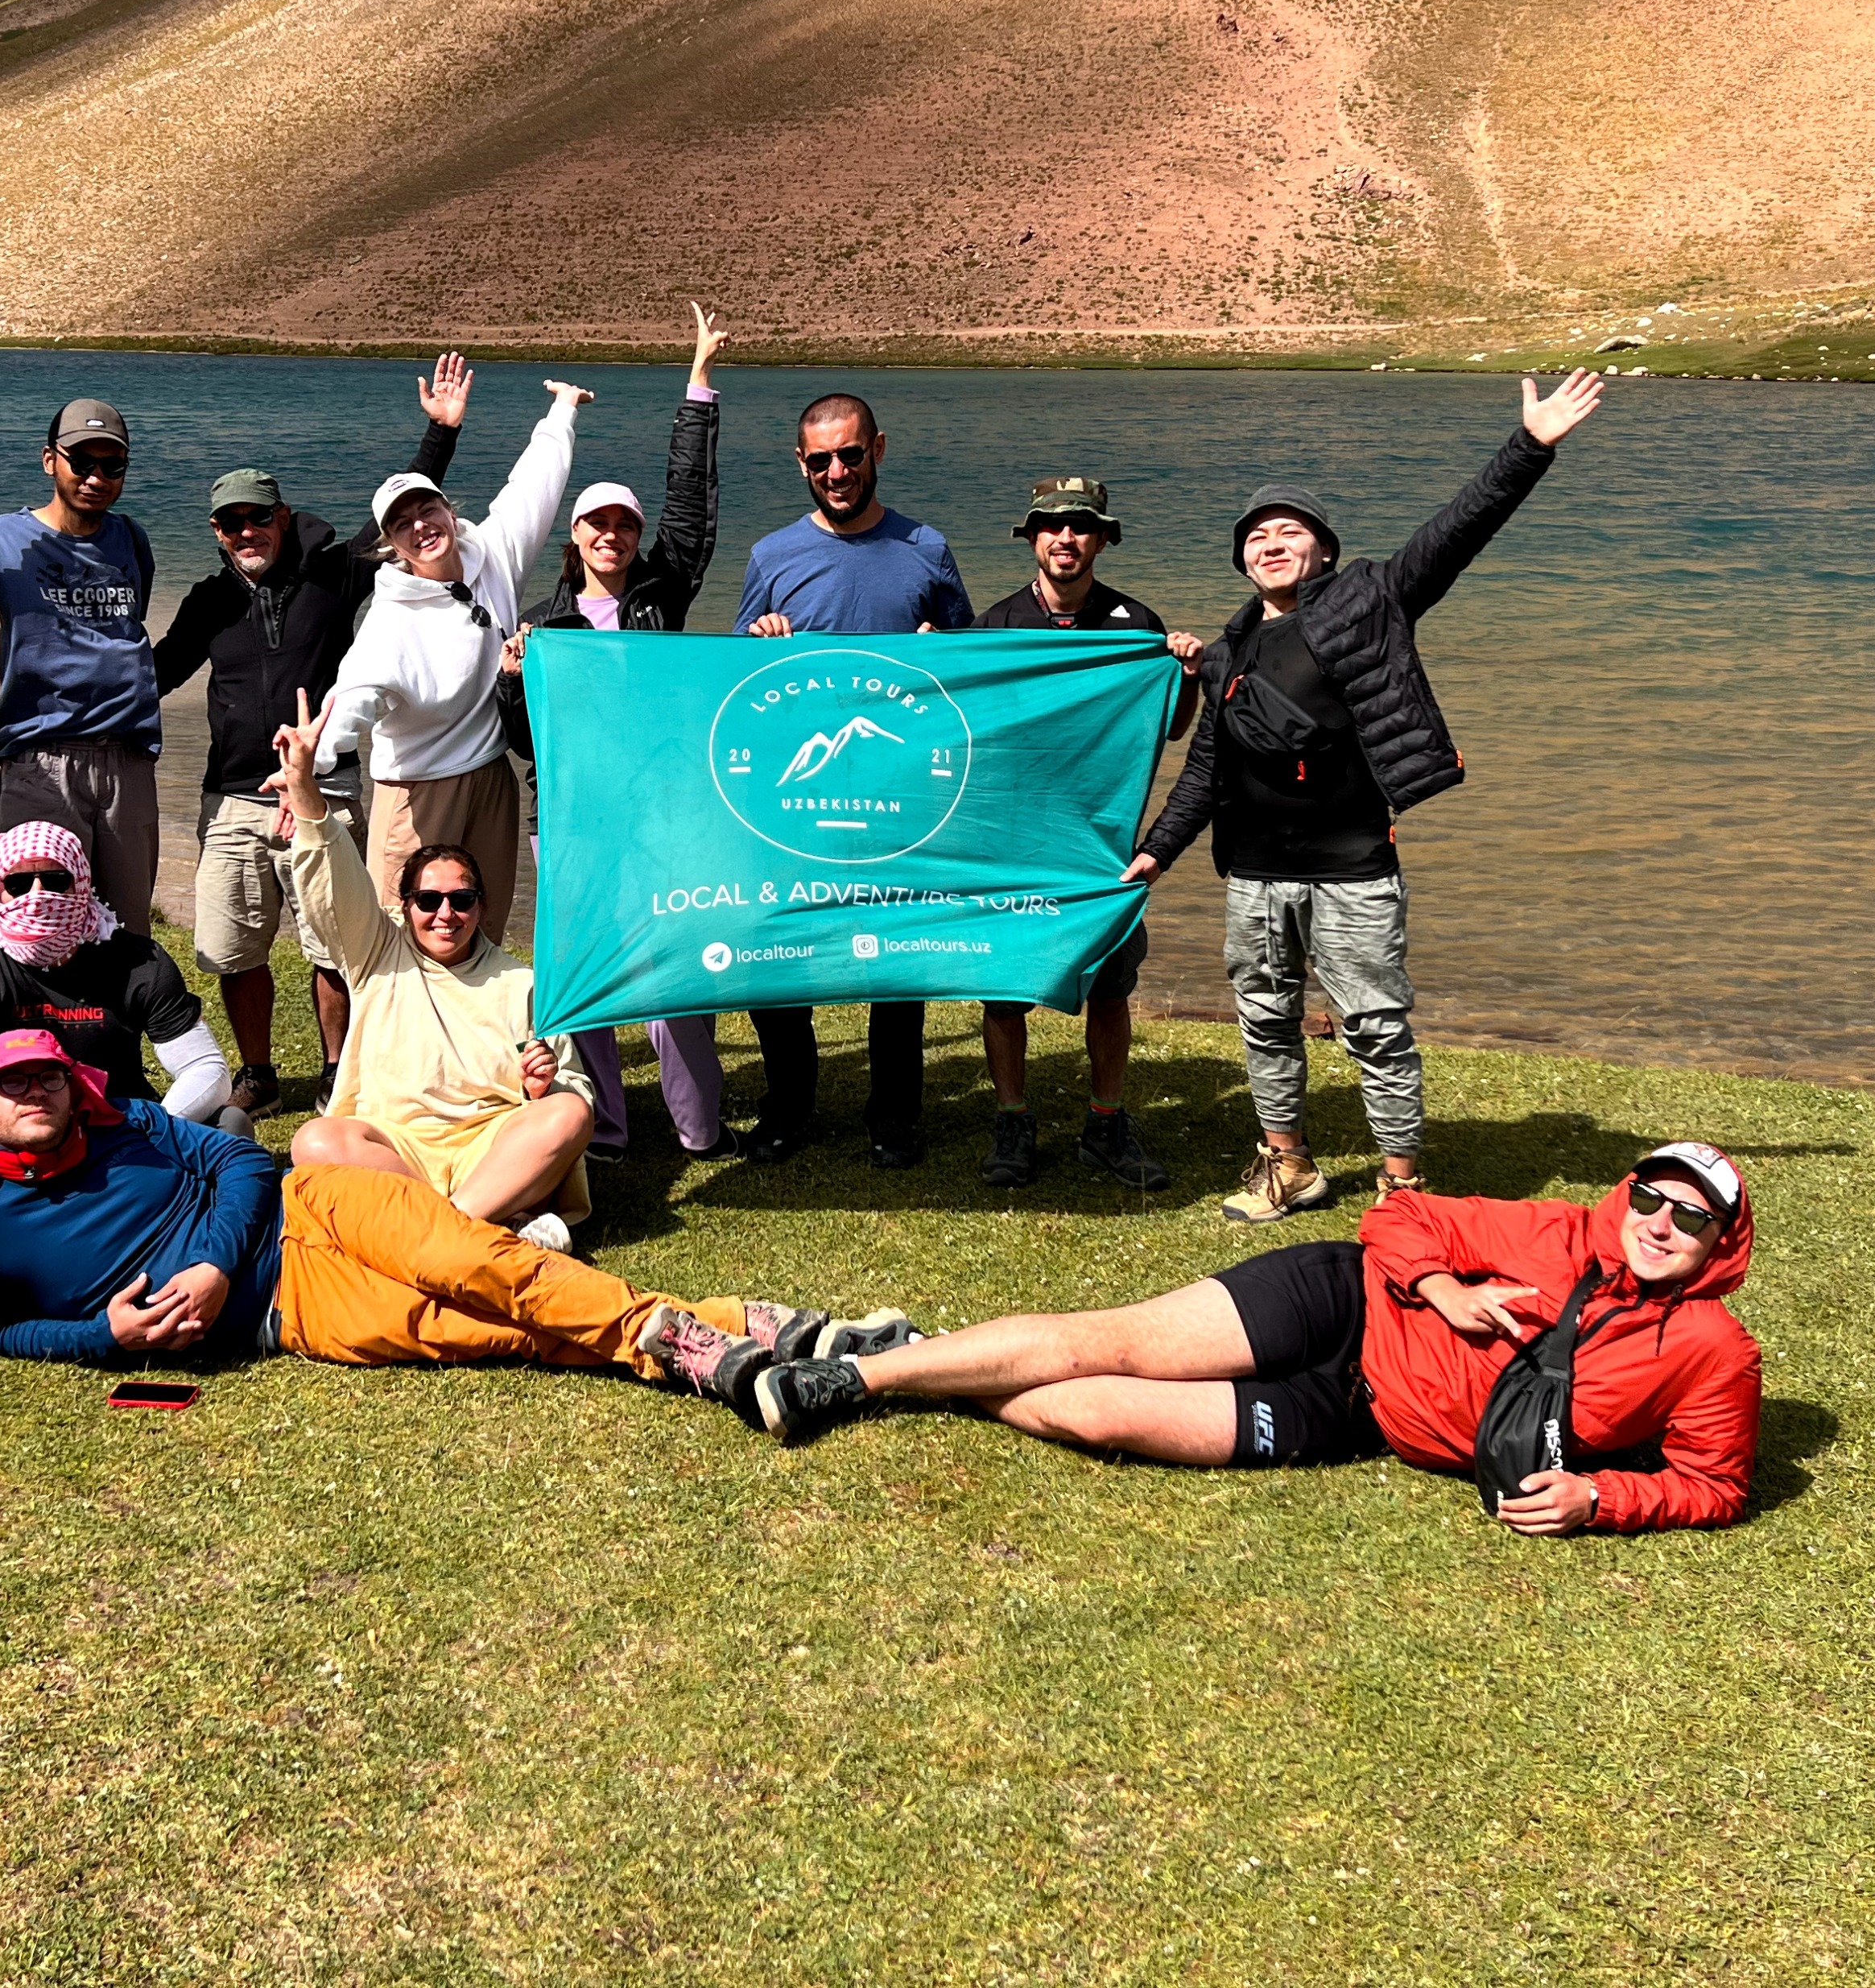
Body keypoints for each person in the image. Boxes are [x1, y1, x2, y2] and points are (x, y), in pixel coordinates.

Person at [1130, 371, 1609, 1221]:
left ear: (1323, 551)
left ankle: (1402, 1189)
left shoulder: (1372, 600)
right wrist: (1155, 852)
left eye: (1291, 531)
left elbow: (1456, 531)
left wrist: (1529, 446)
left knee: (1375, 1028)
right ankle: (1288, 1165)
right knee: (1265, 1022)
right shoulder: (1226, 653)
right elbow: (1204, 770)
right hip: (1254, 874)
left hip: (1352, 866)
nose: (1271, 543)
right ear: (1242, 560)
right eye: (1256, 536)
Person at [742, 1143, 1762, 1535]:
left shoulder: (1712, 1352)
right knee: (1118, 1342)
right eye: (1648, 1197)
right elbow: (1400, 1217)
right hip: (1343, 1301)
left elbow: (1714, 1485)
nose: (1659, 1224)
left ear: (1722, 1242)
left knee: (1098, 1413)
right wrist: (1443, 1289)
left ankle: (921, 1353)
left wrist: (1602, 1498)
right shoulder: (1556, 1232)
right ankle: (857, 1376)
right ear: (1624, 1194)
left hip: (1359, 1418)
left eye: (1691, 1217)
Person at [0, 1031, 907, 1400]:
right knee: (491, 1332)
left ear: (73, 1083)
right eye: (11, 1084)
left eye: (48, 1074)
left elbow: (244, 1162)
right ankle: (744, 1330)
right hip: (288, 1312)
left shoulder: (129, 1122)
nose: (35, 1093)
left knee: (492, 1267)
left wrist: (213, 1263)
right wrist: (106, 1336)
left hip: (312, 1207)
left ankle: (688, 1342)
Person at [149, 363, 473, 1116]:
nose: (246, 532)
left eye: (258, 518)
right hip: (232, 799)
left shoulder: (334, 576)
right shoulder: (207, 601)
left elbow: (403, 518)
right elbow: (156, 673)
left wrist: (442, 431)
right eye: (231, 523)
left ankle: (338, 1069)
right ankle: (258, 1072)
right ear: (216, 532)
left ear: (284, 517)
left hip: (324, 793)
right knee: (234, 951)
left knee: (334, 943)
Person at [502, 303, 731, 1161]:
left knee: (676, 969)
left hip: (665, 815)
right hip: (570, 823)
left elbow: (691, 510)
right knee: (589, 972)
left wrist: (697, 386)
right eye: (597, 523)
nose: (612, 535)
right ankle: (602, 1126)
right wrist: (512, 681)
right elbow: (524, 744)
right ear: (574, 535)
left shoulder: (661, 597)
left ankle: (698, 1126)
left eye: (625, 525)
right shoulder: (547, 627)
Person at [729, 390, 977, 1168]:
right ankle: (786, 1107)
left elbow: (974, 674)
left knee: (897, 964)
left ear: (878, 449)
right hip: (794, 799)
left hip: (901, 797)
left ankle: (894, 1115)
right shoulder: (772, 555)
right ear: (801, 463)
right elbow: (732, 687)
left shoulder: (927, 548)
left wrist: (943, 651)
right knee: (782, 954)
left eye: (850, 454)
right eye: (820, 460)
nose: (837, 472)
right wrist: (759, 640)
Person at [279, 691, 593, 1246]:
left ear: (482, 907)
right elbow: (332, 875)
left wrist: (540, 1088)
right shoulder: (375, 951)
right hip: (396, 1146)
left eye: (461, 900)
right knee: (314, 1141)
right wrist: (304, 784)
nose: (445, 914)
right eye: (428, 900)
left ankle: (439, 1234)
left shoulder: (521, 983)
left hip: (488, 1148)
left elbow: (571, 1088)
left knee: (568, 1113)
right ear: (405, 907)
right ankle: (482, 1231)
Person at [972, 476, 1205, 1193]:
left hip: (1101, 844)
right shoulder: (995, 626)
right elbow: (964, 729)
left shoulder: (1136, 626)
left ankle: (1105, 1124)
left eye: (1080, 525)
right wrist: (931, 660)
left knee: (1109, 989)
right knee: (1003, 991)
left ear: (1102, 539)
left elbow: (1170, 728)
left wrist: (1187, 675)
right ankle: (1013, 1120)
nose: (1065, 537)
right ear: (1032, 538)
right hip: (1013, 845)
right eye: (1051, 525)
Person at [312, 361, 588, 944]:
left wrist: (562, 410)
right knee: (403, 939)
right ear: (392, 544)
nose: (420, 527)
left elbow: (534, 487)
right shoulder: (390, 621)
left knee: (482, 930)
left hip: (490, 778)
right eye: (402, 525)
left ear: (449, 511)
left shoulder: (494, 554)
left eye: (427, 511)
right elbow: (352, 698)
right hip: (418, 791)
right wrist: (307, 768)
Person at [0, 822, 249, 1208]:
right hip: (7, 1136)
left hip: (117, 1128)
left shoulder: (139, 962)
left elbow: (206, 1067)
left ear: (81, 885)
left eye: (56, 880)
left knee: (230, 1126)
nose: (38, 896)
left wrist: (148, 1131)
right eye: (19, 884)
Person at [0, 393, 164, 928]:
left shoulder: (131, 538)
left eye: (112, 466)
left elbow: (126, 634)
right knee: (41, 926)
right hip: (41, 762)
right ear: (49, 461)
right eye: (81, 462)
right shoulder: (2, 539)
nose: (96, 477)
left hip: (128, 762)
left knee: (127, 932)